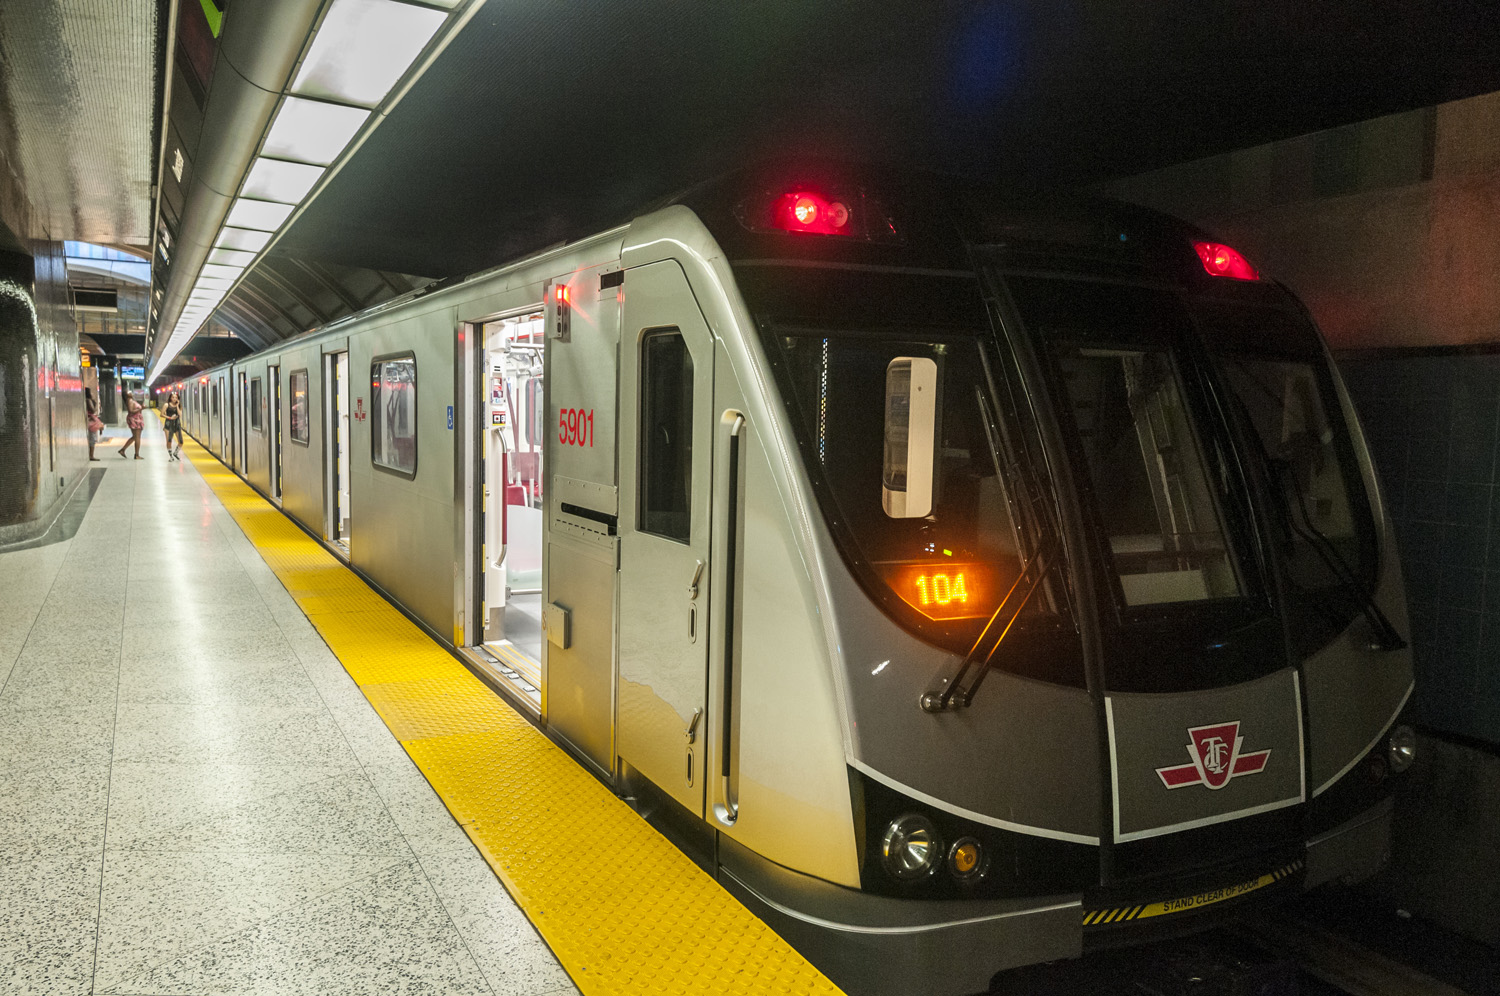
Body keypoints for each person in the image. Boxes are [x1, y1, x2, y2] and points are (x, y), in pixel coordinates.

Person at [118, 391, 144, 459]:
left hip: (136, 419)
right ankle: (137, 455)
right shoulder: (129, 400)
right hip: (135, 420)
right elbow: (131, 411)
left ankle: (123, 450)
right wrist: (141, 408)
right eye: (129, 392)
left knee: (135, 437)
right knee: (137, 437)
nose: (131, 393)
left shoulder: (131, 400)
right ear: (126, 395)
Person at [162, 392, 183, 461]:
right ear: (170, 398)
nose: (174, 399)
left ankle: (175, 453)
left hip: (177, 424)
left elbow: (180, 414)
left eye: (176, 397)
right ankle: (171, 456)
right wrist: (170, 418)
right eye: (173, 397)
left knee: (181, 441)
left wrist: (177, 406)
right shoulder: (166, 405)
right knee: (169, 441)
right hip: (168, 424)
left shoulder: (179, 405)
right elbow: (161, 414)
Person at [85, 388, 103, 461]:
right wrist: (96, 404)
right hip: (91, 420)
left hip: (89, 420)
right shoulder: (88, 400)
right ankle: (91, 456)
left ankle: (91, 455)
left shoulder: (85, 400)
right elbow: (93, 410)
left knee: (92, 438)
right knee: (92, 439)